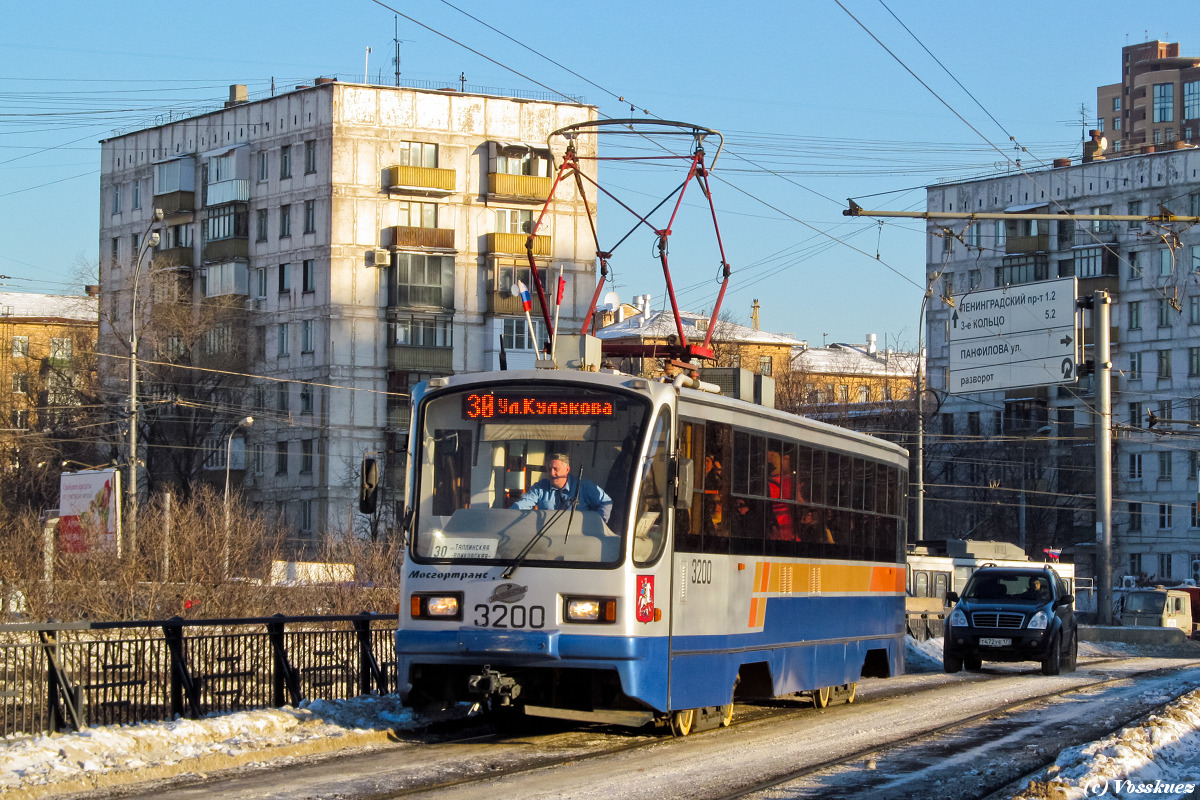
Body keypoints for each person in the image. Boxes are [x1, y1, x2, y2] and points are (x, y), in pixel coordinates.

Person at [514, 453, 613, 523]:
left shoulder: (583, 486)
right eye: (549, 469)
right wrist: (511, 515)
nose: (552, 473)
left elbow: (606, 502)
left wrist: (597, 524)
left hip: (577, 538)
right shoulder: (540, 488)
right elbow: (521, 505)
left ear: (567, 470)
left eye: (556, 469)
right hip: (546, 536)